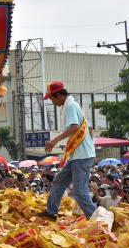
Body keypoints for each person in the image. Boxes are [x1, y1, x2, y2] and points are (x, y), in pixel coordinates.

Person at [38, 81, 97, 221]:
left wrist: (54, 141)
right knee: (59, 181)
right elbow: (88, 127)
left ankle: (98, 219)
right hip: (78, 155)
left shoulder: (70, 106)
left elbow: (75, 127)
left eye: (51, 98)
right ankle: (51, 212)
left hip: (81, 156)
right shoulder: (72, 105)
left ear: (58, 95)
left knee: (80, 192)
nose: (51, 102)